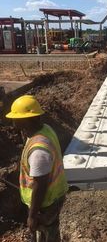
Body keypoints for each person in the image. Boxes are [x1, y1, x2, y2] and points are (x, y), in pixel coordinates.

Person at [6, 95, 68, 242]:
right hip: (52, 198)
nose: (13, 123)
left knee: (47, 235)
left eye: (17, 119)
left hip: (45, 204)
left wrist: (32, 216)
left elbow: (40, 185)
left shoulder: (39, 151)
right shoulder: (45, 129)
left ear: (29, 119)